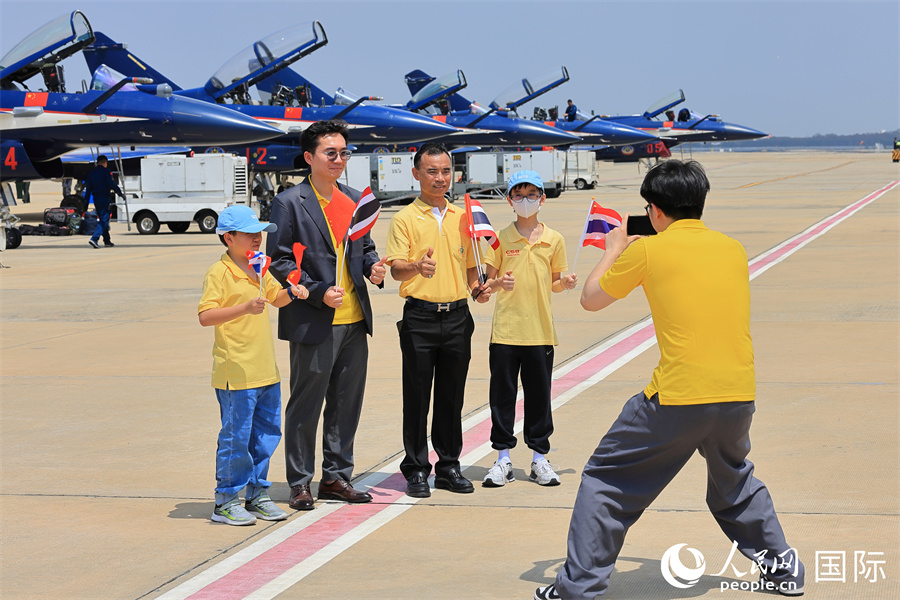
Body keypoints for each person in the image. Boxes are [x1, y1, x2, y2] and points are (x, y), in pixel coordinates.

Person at [536, 160, 805, 600]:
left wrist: (614, 249)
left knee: (606, 481)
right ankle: (784, 572)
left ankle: (578, 588)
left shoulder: (648, 250)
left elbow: (590, 299)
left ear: (655, 210)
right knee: (733, 483)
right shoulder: (732, 248)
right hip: (738, 393)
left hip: (678, 395)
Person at [266, 119, 387, 511]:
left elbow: (364, 248)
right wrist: (318, 292)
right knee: (305, 405)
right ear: (309, 157)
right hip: (314, 319)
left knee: (345, 404)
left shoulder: (354, 199)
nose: (338, 159)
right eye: (330, 153)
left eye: (343, 153)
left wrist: (372, 267)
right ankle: (300, 482)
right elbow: (278, 260)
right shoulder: (289, 202)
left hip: (354, 320)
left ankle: (336, 477)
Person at [384, 142, 492, 498]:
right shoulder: (404, 218)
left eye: (446, 171)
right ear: (416, 174)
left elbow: (475, 267)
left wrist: (481, 287)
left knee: (452, 397)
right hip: (420, 318)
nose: (440, 178)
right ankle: (416, 469)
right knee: (416, 398)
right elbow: (396, 269)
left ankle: (448, 466)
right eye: (431, 171)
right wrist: (417, 266)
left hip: (458, 317)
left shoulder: (465, 216)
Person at [198, 204, 309, 526]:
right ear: (228, 238)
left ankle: (257, 495)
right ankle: (226, 500)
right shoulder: (219, 273)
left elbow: (276, 298)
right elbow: (206, 317)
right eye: (249, 234)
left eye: (260, 232)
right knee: (236, 438)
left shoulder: (258, 266)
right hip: (236, 372)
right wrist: (244, 307)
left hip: (265, 370)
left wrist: (294, 292)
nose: (258, 238)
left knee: (265, 437)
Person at [480, 170, 577, 489]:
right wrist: (497, 283)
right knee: (502, 397)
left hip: (540, 332)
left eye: (532, 195)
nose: (525, 201)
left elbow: (554, 281)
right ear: (509, 200)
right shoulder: (499, 237)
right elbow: (485, 286)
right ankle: (502, 460)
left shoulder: (555, 239)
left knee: (539, 398)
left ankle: (538, 459)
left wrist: (564, 283)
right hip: (506, 332)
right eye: (519, 195)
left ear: (542, 199)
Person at [83, 155, 124, 248]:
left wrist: (85, 204)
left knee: (102, 218)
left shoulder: (91, 173)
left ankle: (107, 240)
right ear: (105, 162)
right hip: (104, 198)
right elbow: (111, 183)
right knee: (104, 219)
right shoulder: (106, 171)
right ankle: (94, 238)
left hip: (96, 199)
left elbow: (88, 190)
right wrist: (120, 193)